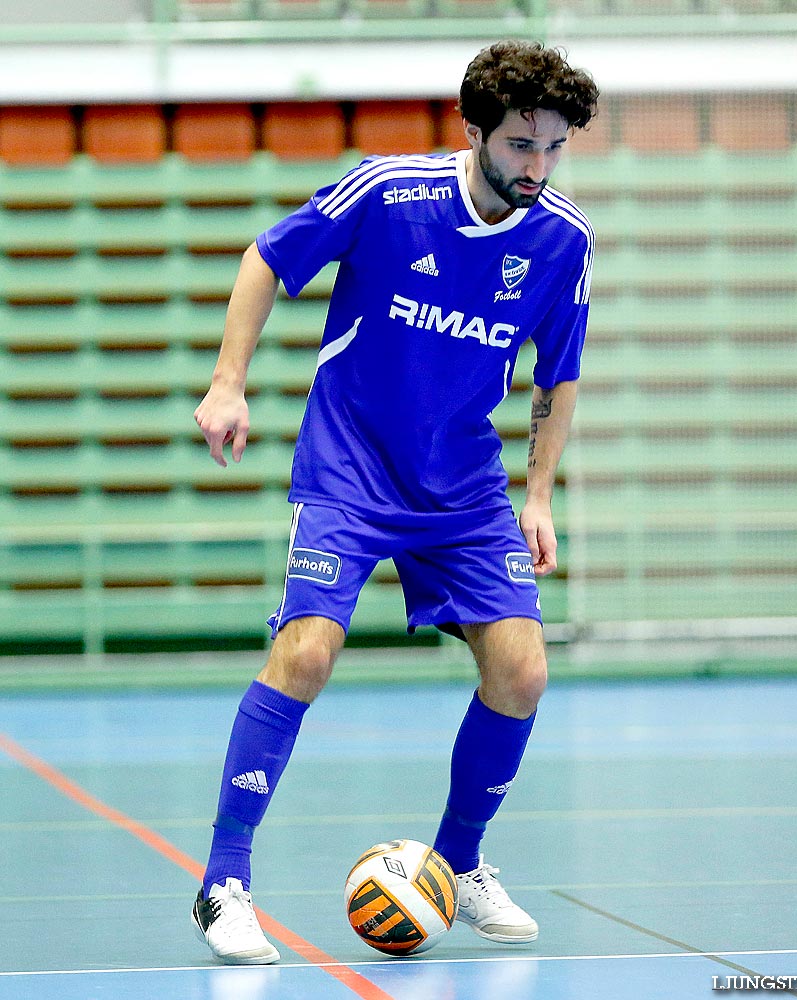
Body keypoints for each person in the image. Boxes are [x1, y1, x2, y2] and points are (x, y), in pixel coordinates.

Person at [189, 39, 599, 965]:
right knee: (306, 654)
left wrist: (537, 495)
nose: (536, 166)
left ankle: (455, 866)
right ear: (473, 132)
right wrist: (228, 382)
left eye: (553, 149)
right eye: (520, 145)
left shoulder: (563, 239)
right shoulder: (386, 190)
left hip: (461, 490)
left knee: (523, 672)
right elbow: (267, 257)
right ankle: (224, 881)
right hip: (349, 471)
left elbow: (558, 375)